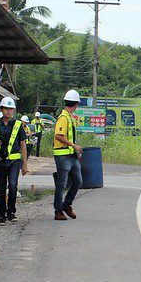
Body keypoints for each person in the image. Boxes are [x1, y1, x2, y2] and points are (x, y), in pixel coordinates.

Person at [0, 97, 28, 225]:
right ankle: (1, 215)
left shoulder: (18, 125)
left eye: (11, 109)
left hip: (14, 162)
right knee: (1, 190)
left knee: (13, 186)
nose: (9, 111)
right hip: (0, 162)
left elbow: (23, 145)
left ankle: (11, 213)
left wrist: (24, 164)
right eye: (6, 109)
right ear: (2, 110)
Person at [53, 89, 83, 221]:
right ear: (75, 104)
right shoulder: (63, 118)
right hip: (62, 156)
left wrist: (74, 149)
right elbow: (58, 136)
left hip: (71, 156)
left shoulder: (69, 117)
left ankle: (66, 204)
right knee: (62, 184)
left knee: (78, 181)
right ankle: (58, 210)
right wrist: (73, 145)